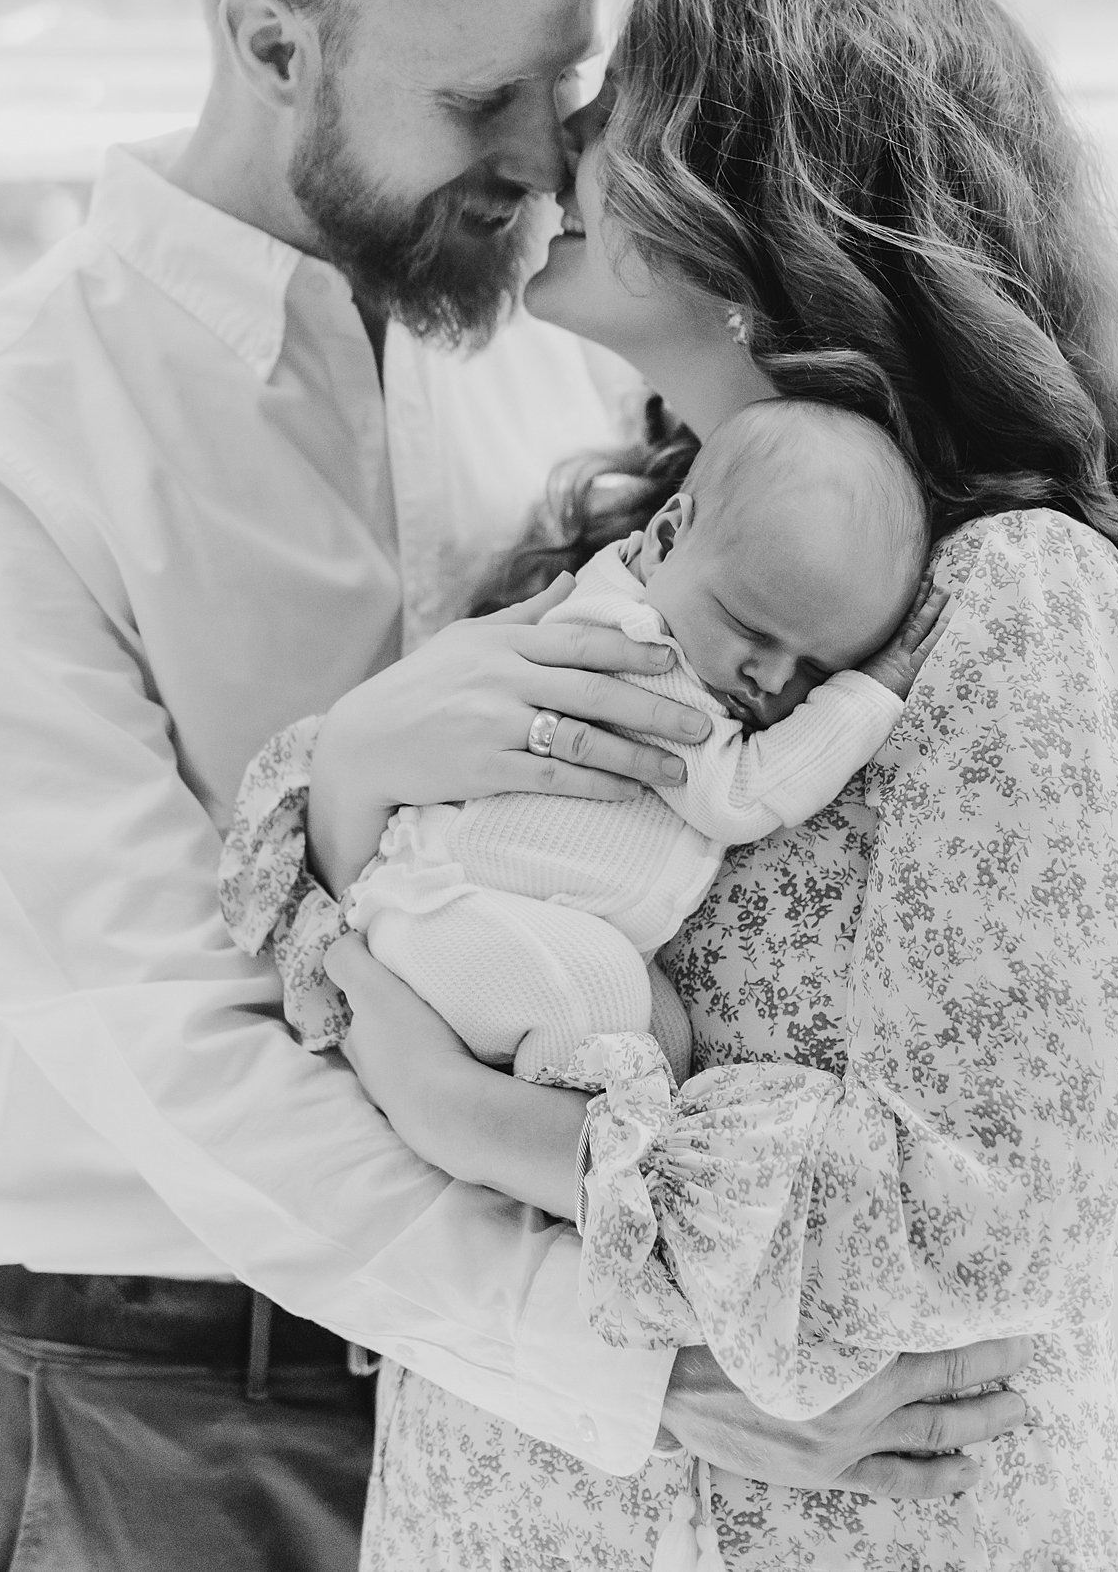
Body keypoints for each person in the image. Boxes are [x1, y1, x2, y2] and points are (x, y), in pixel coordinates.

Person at [0, 0, 1028, 1572]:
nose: (550, 156)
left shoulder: (559, 352)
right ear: (268, 43)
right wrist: (635, 1355)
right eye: (485, 95)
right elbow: (176, 1043)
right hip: (149, 1400)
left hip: (504, 1399)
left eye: (568, 82)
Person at [240, 0, 1118, 1568]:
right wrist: (359, 769)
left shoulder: (1020, 611)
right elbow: (335, 958)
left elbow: (987, 1212)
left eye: (621, 111)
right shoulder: (628, 549)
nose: (552, 148)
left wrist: (473, 1118)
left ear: (753, 227)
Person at [224, 399, 943, 1088]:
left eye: (819, 669)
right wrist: (867, 692)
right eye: (752, 629)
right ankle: (527, 1129)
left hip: (505, 922)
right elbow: (738, 798)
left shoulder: (681, 601)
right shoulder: (639, 649)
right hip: (451, 911)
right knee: (596, 994)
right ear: (664, 541)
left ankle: (564, 1132)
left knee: (662, 1039)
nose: (773, 680)